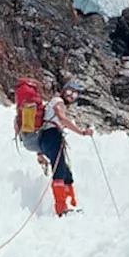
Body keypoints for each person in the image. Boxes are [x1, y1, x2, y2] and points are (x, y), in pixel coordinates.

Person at [38, 82, 93, 216]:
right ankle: (61, 208)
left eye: (74, 94)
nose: (71, 96)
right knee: (60, 171)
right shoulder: (58, 101)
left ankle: (71, 204)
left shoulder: (53, 102)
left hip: (46, 139)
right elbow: (62, 119)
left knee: (66, 173)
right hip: (52, 136)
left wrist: (40, 151)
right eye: (69, 92)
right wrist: (82, 132)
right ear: (63, 91)